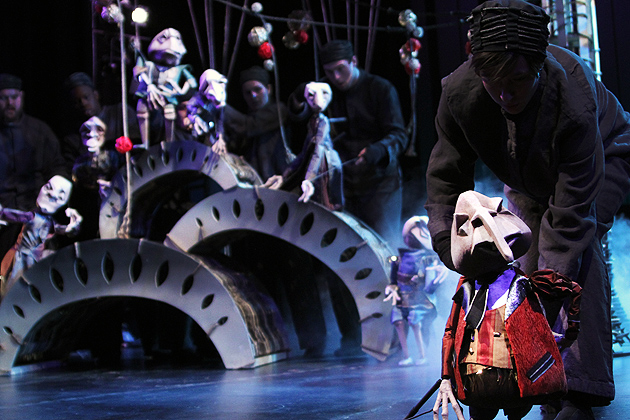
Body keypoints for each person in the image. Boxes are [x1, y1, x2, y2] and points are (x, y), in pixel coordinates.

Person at [424, 1, 630, 418]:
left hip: (605, 158)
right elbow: (446, 176)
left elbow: (569, 218)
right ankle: (539, 380)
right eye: (492, 82)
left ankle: (578, 390)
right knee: (519, 261)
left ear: (537, 67)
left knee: (573, 259)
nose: (505, 94)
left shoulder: (573, 96)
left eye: (517, 80)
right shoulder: (459, 93)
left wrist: (551, 280)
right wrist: (450, 243)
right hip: (526, 178)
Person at [432, 190, 581, 420]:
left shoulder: (521, 284)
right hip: (475, 382)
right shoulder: (466, 290)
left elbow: (568, 290)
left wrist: (562, 336)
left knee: (514, 412)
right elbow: (450, 332)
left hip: (516, 381)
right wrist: (445, 377)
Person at [288, 39, 408, 247]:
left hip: (380, 185)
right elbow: (298, 115)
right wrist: (300, 95)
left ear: (354, 61)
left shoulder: (380, 89)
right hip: (343, 186)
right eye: (330, 71)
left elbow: (399, 135)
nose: (336, 77)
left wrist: (377, 151)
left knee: (384, 245)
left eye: (340, 69)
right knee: (345, 247)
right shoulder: (326, 90)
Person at [0, 73, 68, 261]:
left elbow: (58, 168)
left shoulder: (39, 131)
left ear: (21, 97)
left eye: (14, 97)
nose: (10, 103)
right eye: (3, 98)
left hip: (35, 219)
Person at [264, 82, 344, 211]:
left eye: (313, 96)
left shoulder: (323, 122)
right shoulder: (312, 121)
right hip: (314, 160)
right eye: (310, 96)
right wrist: (291, 169)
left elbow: (318, 149)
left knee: (325, 199)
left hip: (326, 162)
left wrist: (309, 179)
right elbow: (307, 149)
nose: (312, 100)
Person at [0, 175, 82, 298]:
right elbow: (16, 216)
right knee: (14, 285)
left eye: (60, 196)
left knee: (23, 286)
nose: (52, 195)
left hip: (32, 258)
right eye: (49, 188)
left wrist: (70, 228)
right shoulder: (33, 216)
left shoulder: (48, 221)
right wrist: (3, 213)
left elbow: (58, 229)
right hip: (22, 257)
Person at [384, 216, 448, 367]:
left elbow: (431, 281)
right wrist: (392, 289)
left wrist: (436, 273)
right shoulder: (399, 259)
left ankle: (423, 355)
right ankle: (407, 355)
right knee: (398, 321)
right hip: (403, 298)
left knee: (416, 322)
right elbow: (393, 280)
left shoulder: (427, 258)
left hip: (421, 298)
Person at [223, 65, 294, 181]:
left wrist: (219, 105)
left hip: (279, 180)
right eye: (248, 92)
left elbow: (249, 126)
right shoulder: (246, 118)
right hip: (255, 183)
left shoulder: (279, 111)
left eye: (257, 89)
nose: (253, 95)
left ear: (268, 89)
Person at [62, 71, 140, 173]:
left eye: (86, 97)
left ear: (96, 95)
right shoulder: (73, 138)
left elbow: (137, 146)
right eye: (77, 101)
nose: (83, 103)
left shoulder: (120, 112)